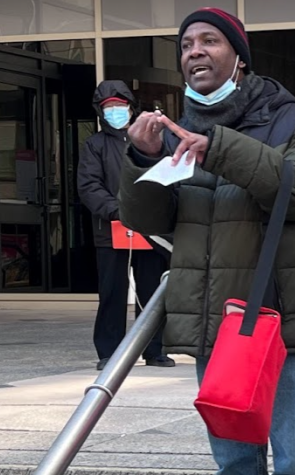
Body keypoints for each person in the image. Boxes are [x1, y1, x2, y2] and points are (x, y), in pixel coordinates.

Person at [118, 8, 295, 474]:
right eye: (186, 44)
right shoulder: (178, 132)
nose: (194, 51)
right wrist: (142, 157)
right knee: (235, 463)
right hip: (215, 324)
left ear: (239, 57)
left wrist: (218, 148)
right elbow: (151, 221)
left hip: (282, 322)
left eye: (209, 41)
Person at [77, 80, 174, 371]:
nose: (115, 111)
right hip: (111, 230)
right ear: (100, 111)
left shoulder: (153, 138)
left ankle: (154, 349)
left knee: (152, 291)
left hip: (150, 228)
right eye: (109, 108)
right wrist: (117, 211)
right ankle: (109, 351)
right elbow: (88, 185)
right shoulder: (94, 145)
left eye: (120, 106)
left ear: (131, 107)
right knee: (112, 293)